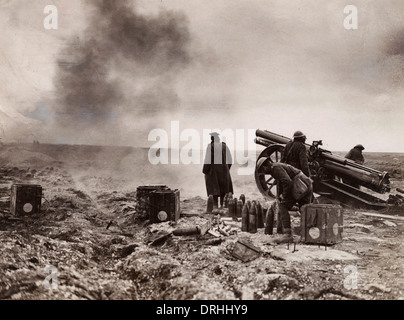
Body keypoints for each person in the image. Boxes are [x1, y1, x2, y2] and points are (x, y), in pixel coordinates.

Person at [257, 158, 313, 243]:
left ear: (265, 166)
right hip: (306, 184)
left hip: (299, 184)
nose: (264, 172)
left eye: (263, 169)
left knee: (283, 206)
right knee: (304, 209)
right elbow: (281, 182)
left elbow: (287, 181)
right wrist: (280, 196)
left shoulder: (275, 168)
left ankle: (287, 235)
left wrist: (283, 196)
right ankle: (311, 234)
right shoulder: (276, 166)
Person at [203, 132, 233, 208]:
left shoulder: (211, 146)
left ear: (212, 139)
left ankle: (215, 206)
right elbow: (230, 160)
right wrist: (226, 169)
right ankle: (222, 205)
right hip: (224, 173)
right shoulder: (224, 146)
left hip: (214, 173)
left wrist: (205, 170)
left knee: (214, 190)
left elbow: (208, 160)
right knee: (224, 189)